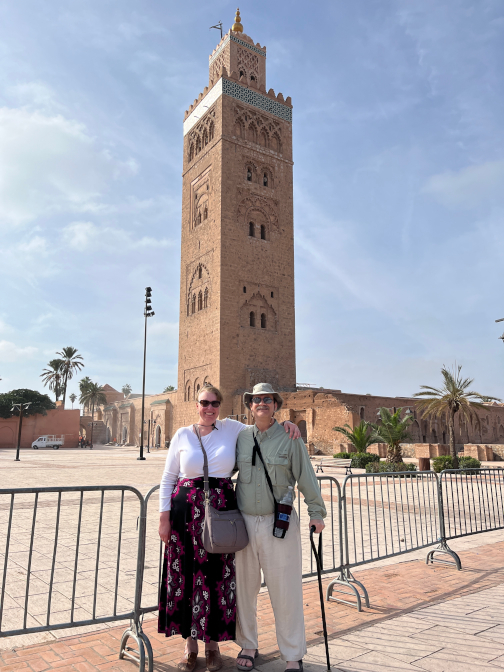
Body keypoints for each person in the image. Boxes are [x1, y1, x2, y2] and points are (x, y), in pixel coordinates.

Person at [158, 384, 301, 672]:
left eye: (214, 403)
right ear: (196, 405)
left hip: (221, 517)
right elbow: (168, 478)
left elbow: (261, 425)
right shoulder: (182, 435)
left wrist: (286, 423)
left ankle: (213, 646)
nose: (209, 408)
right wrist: (164, 519)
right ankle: (190, 646)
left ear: (220, 406)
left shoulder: (233, 429)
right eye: (204, 403)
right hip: (185, 518)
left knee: (216, 580)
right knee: (186, 578)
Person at [235, 383, 326, 672]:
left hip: (280, 523)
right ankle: (248, 645)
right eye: (257, 400)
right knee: (244, 590)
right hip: (245, 525)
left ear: (276, 405)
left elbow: (306, 476)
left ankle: (292, 655)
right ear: (250, 406)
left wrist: (316, 512)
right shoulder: (241, 438)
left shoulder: (290, 437)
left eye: (268, 400)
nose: (262, 403)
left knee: (285, 590)